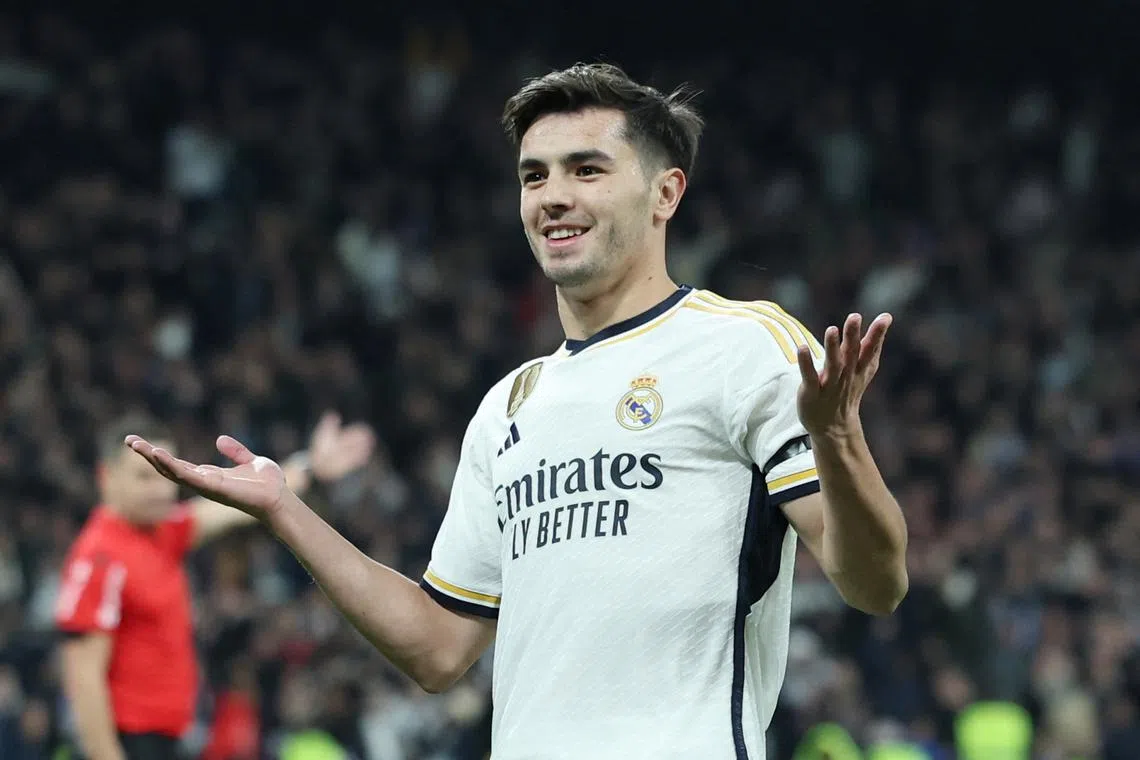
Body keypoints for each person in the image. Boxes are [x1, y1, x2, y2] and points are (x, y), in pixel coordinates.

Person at [126, 62, 910, 760]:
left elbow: (876, 583)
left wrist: (838, 441)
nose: (553, 197)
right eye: (534, 176)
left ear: (666, 191)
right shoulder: (506, 408)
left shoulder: (744, 346)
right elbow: (438, 647)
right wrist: (285, 512)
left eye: (587, 169)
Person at [56, 411, 374, 760]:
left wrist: (311, 466)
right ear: (106, 476)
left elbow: (242, 501)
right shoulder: (99, 558)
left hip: (166, 740)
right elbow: (83, 676)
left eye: (164, 475)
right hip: (127, 743)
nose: (162, 490)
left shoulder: (164, 533)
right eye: (144, 478)